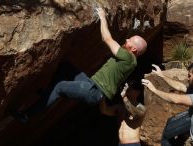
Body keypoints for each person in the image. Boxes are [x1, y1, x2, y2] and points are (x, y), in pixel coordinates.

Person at [13, 7, 147, 122]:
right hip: (93, 86)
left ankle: (27, 115)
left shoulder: (128, 58)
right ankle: (48, 94)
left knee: (59, 87)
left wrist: (102, 17)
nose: (127, 39)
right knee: (65, 66)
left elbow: (106, 39)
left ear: (133, 49)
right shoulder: (129, 59)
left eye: (130, 41)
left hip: (94, 91)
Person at [141, 63, 193, 146]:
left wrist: (154, 90)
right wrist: (162, 75)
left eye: (189, 76)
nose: (187, 78)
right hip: (190, 115)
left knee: (165, 135)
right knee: (170, 121)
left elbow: (176, 99)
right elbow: (180, 86)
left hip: (190, 118)